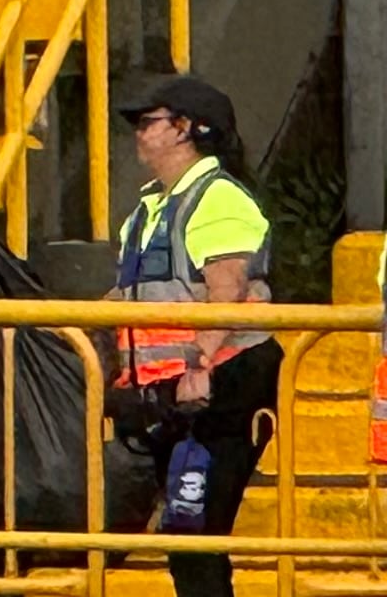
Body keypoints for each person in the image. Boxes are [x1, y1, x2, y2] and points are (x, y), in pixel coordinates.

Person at [105, 71, 278, 597]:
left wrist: (198, 366)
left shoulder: (216, 198)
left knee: (195, 538)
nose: (138, 132)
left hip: (216, 391)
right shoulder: (150, 207)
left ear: (186, 130)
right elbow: (144, 294)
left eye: (148, 121)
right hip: (173, 398)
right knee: (188, 539)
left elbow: (226, 292)